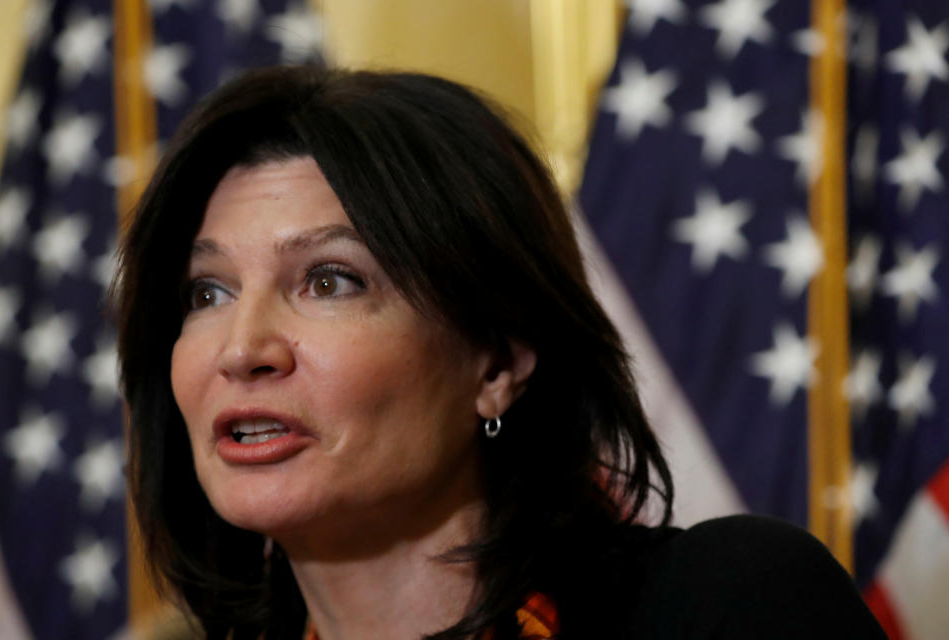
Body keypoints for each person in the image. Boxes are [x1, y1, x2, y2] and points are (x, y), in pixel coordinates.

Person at [115, 66, 885, 640]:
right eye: (205, 293)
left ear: (498, 364)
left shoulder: (729, 606)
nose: (242, 349)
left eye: (329, 280)